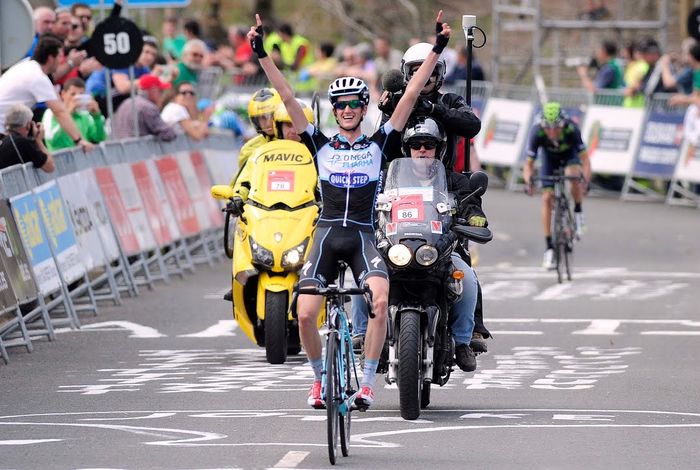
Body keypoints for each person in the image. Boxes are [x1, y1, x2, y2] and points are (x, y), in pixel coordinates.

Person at [248, 10, 452, 409]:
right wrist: (260, 54)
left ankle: (369, 382)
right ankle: (320, 380)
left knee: (378, 299)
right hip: (326, 234)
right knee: (306, 313)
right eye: (339, 105)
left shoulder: (379, 144)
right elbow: (288, 96)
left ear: (362, 108)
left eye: (353, 104)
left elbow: (410, 96)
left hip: (362, 235)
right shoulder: (320, 144)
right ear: (333, 109)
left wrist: (439, 48)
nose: (345, 110)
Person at [400, 116, 484, 371]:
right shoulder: (390, 180)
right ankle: (362, 333)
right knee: (369, 279)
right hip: (398, 249)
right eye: (416, 145)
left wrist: (475, 217)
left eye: (429, 144)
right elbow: (372, 205)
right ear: (407, 150)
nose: (422, 150)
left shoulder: (455, 181)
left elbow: (471, 205)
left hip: (443, 251)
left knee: (467, 279)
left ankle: (462, 342)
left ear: (440, 149)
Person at [523, 102, 591, 270]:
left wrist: (586, 181)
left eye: (556, 127)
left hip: (570, 157)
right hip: (549, 160)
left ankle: (578, 211)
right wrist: (528, 182)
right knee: (546, 198)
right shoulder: (537, 131)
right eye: (548, 128)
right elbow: (529, 164)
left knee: (573, 175)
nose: (552, 132)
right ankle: (549, 249)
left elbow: (585, 160)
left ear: (563, 123)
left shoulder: (571, 129)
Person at [0, 35, 92, 151]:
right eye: (60, 57)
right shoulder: (37, 77)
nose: (61, 61)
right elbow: (59, 111)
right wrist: (79, 140)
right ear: (50, 58)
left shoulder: (28, 65)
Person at [42, 77, 106, 152]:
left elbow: (99, 138)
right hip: (59, 161)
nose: (77, 98)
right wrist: (68, 113)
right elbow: (52, 139)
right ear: (63, 94)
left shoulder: (85, 115)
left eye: (81, 94)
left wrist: (97, 117)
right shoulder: (50, 113)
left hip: (81, 160)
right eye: (73, 94)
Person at [112, 74, 176, 141]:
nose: (162, 95)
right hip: (140, 149)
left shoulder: (126, 103)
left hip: (121, 150)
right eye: (160, 91)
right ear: (153, 90)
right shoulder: (148, 107)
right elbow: (168, 134)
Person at [0, 104, 54, 173]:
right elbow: (50, 167)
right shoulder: (22, 142)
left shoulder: (4, 139)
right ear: (28, 125)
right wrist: (38, 139)